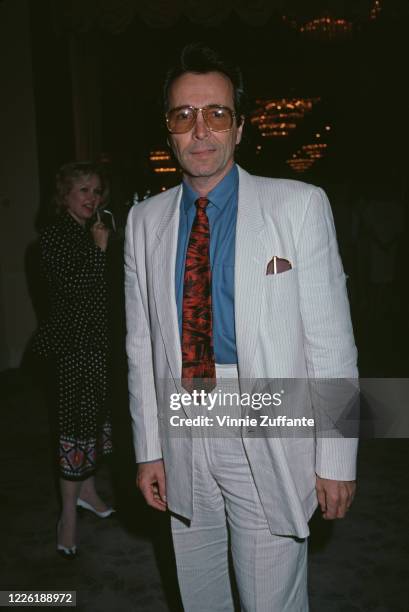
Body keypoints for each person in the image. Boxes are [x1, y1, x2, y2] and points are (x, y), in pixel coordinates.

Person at [125, 44, 358, 611]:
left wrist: (336, 458)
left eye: (217, 113)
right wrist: (148, 449)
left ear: (240, 126)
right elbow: (141, 346)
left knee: (270, 598)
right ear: (169, 130)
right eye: (184, 115)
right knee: (199, 591)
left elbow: (330, 343)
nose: (200, 129)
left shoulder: (298, 205)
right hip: (181, 418)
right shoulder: (143, 219)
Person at [32, 162, 114, 559]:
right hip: (69, 350)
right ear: (64, 195)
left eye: (96, 192)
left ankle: (88, 491)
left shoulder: (90, 232)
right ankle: (67, 515)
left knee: (95, 422)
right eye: (83, 191)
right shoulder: (52, 238)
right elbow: (75, 290)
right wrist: (100, 250)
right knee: (73, 428)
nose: (92, 199)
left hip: (97, 346)